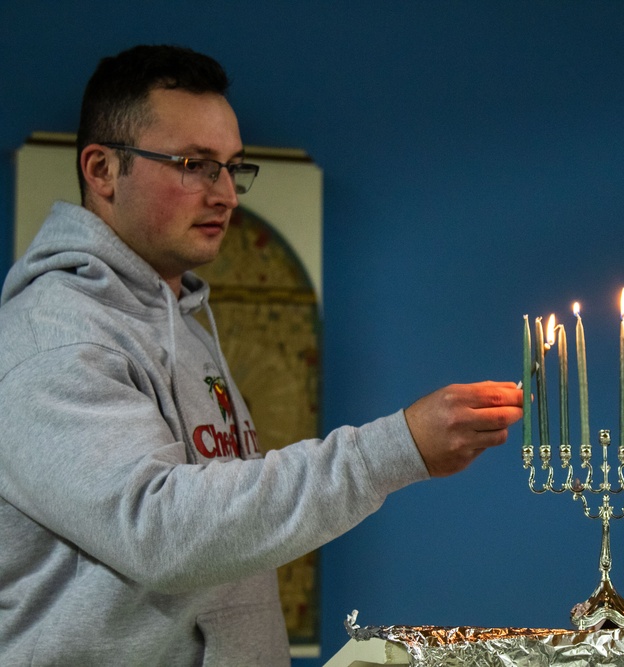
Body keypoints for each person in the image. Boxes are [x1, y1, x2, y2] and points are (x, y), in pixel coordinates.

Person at [0, 44, 523, 665]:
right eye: (195, 163)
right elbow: (161, 531)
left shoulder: (185, 325)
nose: (225, 193)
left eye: (231, 168)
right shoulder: (54, 336)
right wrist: (394, 450)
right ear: (103, 169)